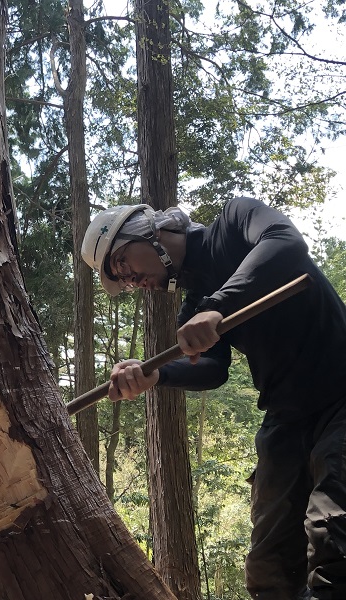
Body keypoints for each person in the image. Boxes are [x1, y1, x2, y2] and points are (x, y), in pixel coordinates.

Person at [81, 196, 346, 600]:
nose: (130, 280)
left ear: (147, 231)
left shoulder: (235, 222)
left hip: (341, 394)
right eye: (121, 279)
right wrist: (157, 375)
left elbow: (285, 240)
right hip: (286, 418)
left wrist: (220, 306)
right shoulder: (192, 307)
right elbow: (213, 369)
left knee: (332, 534)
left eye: (120, 264)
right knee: (269, 566)